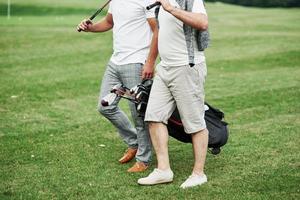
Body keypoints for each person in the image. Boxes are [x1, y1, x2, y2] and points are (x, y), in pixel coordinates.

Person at [77, 0, 158, 172]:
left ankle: (143, 159)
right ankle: (134, 142)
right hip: (116, 62)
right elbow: (109, 22)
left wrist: (150, 62)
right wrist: (90, 28)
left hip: (136, 63)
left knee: (139, 114)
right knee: (104, 106)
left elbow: (157, 31)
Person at [138, 0, 209, 188]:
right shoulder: (160, 4)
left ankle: (198, 173)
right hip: (165, 68)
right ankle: (163, 170)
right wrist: (151, 62)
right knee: (154, 117)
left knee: (194, 123)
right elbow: (159, 33)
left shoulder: (190, 1)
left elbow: (202, 22)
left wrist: (171, 8)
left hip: (187, 67)